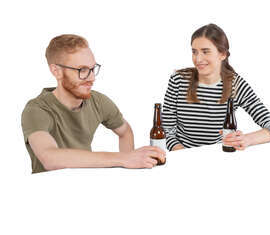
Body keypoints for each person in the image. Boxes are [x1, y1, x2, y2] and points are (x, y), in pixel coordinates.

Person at [21, 34, 165, 173]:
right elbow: (50, 158)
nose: (91, 78)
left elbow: (125, 131)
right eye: (82, 70)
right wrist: (123, 158)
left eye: (92, 69)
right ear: (56, 71)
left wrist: (129, 165)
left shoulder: (98, 101)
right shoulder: (36, 109)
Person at [162, 24, 270, 151]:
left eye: (205, 51)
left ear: (223, 54)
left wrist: (247, 139)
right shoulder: (178, 80)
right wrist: (187, 156)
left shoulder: (236, 85)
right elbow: (167, 130)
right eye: (194, 52)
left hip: (219, 156)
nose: (198, 59)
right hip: (182, 154)